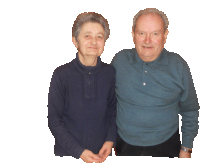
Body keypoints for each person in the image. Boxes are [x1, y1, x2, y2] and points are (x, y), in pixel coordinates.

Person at [111, 8, 199, 158]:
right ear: (133, 34)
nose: (147, 40)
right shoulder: (119, 61)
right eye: (142, 33)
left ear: (165, 35)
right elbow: (107, 105)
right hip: (124, 145)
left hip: (167, 145)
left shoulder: (179, 66)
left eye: (155, 34)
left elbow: (190, 110)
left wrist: (187, 148)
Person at [48, 12, 117, 162]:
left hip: (102, 155)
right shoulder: (61, 75)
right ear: (75, 40)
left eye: (99, 36)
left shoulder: (110, 73)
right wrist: (79, 152)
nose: (94, 41)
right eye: (87, 36)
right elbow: (54, 120)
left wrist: (110, 140)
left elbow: (114, 111)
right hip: (68, 154)